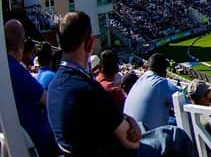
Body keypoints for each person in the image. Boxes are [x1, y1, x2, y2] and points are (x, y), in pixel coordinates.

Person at [46, 11, 195, 157]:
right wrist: (128, 122)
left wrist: (125, 119)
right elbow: (132, 143)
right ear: (90, 43)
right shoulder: (88, 90)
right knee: (176, 136)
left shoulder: (52, 86)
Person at [6, 19, 57, 157]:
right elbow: (48, 100)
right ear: (22, 43)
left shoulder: (8, 68)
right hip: (36, 146)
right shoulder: (16, 71)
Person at [123, 53, 180, 131]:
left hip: (131, 134)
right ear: (163, 69)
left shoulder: (138, 82)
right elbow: (183, 101)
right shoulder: (160, 83)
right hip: (147, 138)